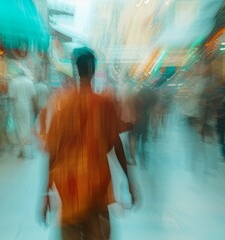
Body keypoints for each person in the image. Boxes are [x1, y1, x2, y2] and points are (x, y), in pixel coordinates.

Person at [40, 47, 136, 240]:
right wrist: (130, 182)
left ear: (76, 70)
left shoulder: (62, 105)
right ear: (93, 70)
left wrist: (45, 193)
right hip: (97, 189)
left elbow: (52, 152)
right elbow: (116, 145)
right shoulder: (104, 105)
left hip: (69, 189)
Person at [9, 66, 37, 159]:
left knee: (19, 128)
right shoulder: (29, 82)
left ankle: (22, 150)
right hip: (27, 108)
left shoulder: (13, 82)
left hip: (17, 108)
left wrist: (11, 110)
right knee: (26, 127)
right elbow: (33, 97)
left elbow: (12, 98)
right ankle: (25, 150)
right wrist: (34, 108)